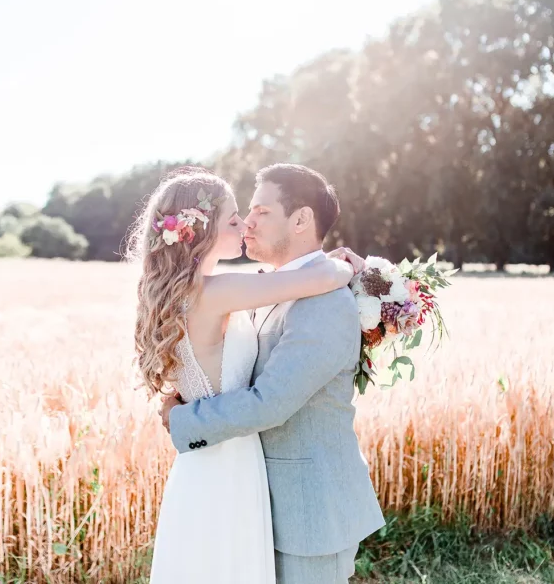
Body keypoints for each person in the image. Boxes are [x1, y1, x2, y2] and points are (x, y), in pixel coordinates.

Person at [140, 163, 384, 584]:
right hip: (242, 489)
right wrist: (343, 267)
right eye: (239, 215)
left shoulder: (321, 301)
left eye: (260, 212)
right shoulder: (256, 288)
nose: (247, 223)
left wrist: (183, 420)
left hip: (309, 510)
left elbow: (270, 401)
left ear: (302, 219)